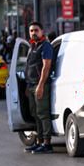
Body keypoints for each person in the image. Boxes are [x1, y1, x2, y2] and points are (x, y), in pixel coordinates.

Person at [24, 22, 55, 154]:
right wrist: (27, 84)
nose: (33, 33)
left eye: (36, 30)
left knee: (42, 114)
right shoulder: (33, 46)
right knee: (35, 114)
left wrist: (41, 85)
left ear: (42, 31)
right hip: (32, 85)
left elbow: (46, 67)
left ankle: (47, 144)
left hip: (40, 85)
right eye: (31, 31)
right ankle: (39, 142)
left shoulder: (45, 46)